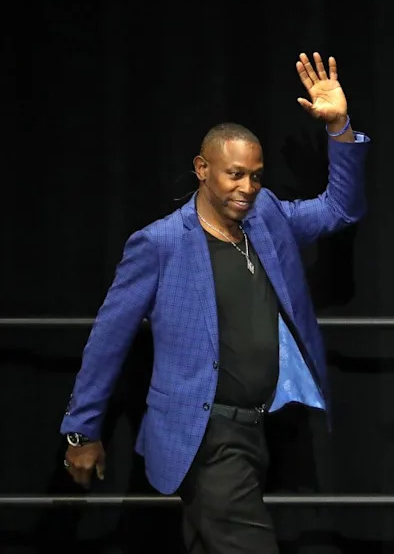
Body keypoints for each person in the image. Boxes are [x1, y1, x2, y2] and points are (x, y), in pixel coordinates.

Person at [59, 51, 370, 553]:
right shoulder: (159, 244)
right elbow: (108, 339)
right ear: (202, 169)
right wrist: (82, 431)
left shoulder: (265, 215)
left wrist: (339, 129)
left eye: (256, 175)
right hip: (204, 434)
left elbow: (341, 208)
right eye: (234, 175)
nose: (247, 188)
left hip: (257, 432)